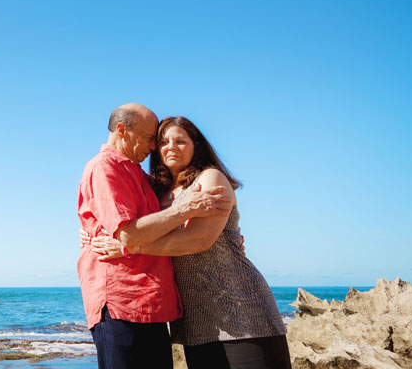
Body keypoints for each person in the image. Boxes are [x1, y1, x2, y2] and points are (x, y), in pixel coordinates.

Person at [87, 116, 290, 369]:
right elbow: (126, 220)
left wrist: (128, 246)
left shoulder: (210, 178)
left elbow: (198, 239)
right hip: (194, 322)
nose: (170, 147)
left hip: (240, 309)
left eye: (180, 141)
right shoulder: (155, 192)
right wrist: (94, 233)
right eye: (162, 142)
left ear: (196, 145)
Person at [78, 104, 234, 369]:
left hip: (150, 305)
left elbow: (152, 226)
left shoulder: (139, 175)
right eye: (151, 138)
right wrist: (186, 208)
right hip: (122, 303)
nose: (154, 147)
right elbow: (129, 234)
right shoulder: (104, 168)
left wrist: (230, 237)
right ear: (122, 131)